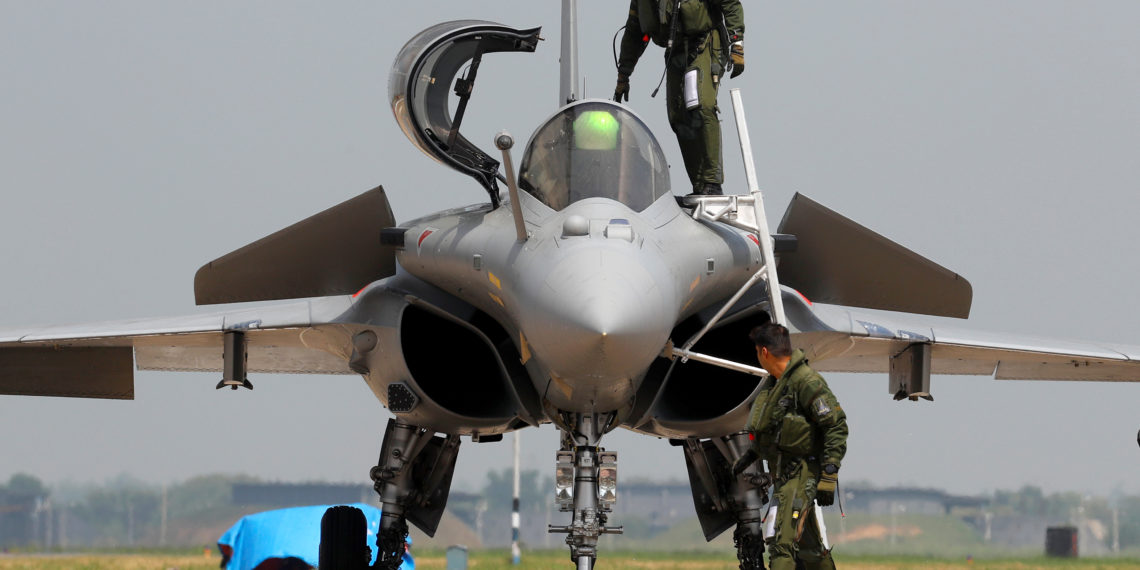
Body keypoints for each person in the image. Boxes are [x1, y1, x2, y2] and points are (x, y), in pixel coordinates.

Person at [734, 320, 848, 570]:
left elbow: (836, 426)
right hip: (784, 476)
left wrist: (829, 473)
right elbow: (773, 429)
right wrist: (751, 454)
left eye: (756, 351)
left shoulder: (806, 382)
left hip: (800, 474)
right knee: (812, 550)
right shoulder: (775, 385)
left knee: (780, 543)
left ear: (764, 352)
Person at [613, 0, 745, 196]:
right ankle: (700, 186)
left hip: (705, 43)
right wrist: (624, 74)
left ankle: (712, 182)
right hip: (676, 50)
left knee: (701, 106)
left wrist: (737, 44)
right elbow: (635, 32)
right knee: (678, 116)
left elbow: (730, 4)